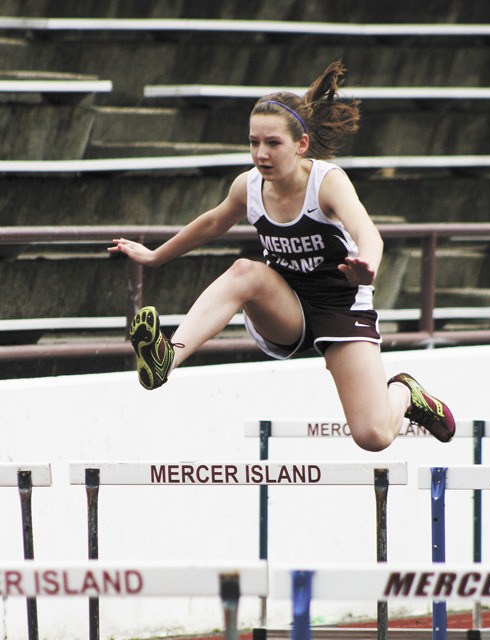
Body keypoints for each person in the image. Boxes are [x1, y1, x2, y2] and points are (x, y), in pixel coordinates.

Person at [109, 60, 455, 451]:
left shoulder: (327, 183)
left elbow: (367, 233)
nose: (261, 154)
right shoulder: (249, 187)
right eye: (254, 142)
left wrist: (368, 268)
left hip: (341, 307)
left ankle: (405, 393)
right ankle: (165, 359)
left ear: (300, 144)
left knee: (373, 436)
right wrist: (154, 256)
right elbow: (210, 223)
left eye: (273, 143)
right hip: (287, 307)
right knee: (245, 272)